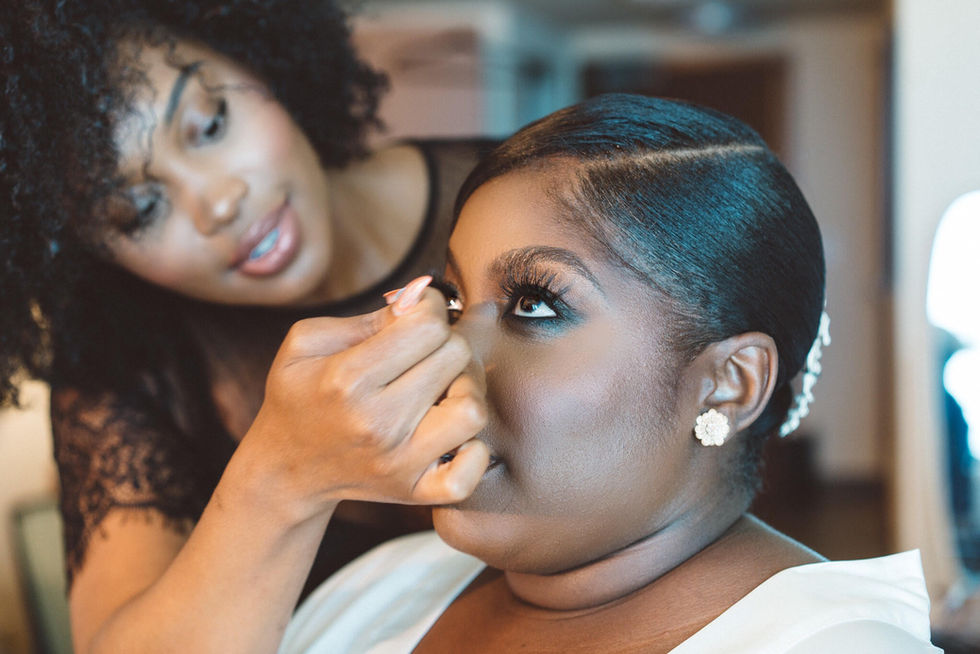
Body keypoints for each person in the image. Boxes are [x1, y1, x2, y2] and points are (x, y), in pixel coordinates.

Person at [278, 94, 940, 653]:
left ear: (729, 383)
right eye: (451, 301)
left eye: (535, 305)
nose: (444, 356)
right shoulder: (381, 590)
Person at [0, 1, 496, 652]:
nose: (218, 202)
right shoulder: (123, 359)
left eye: (209, 125)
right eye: (138, 209)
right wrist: (284, 475)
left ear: (260, 59)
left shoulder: (525, 191)